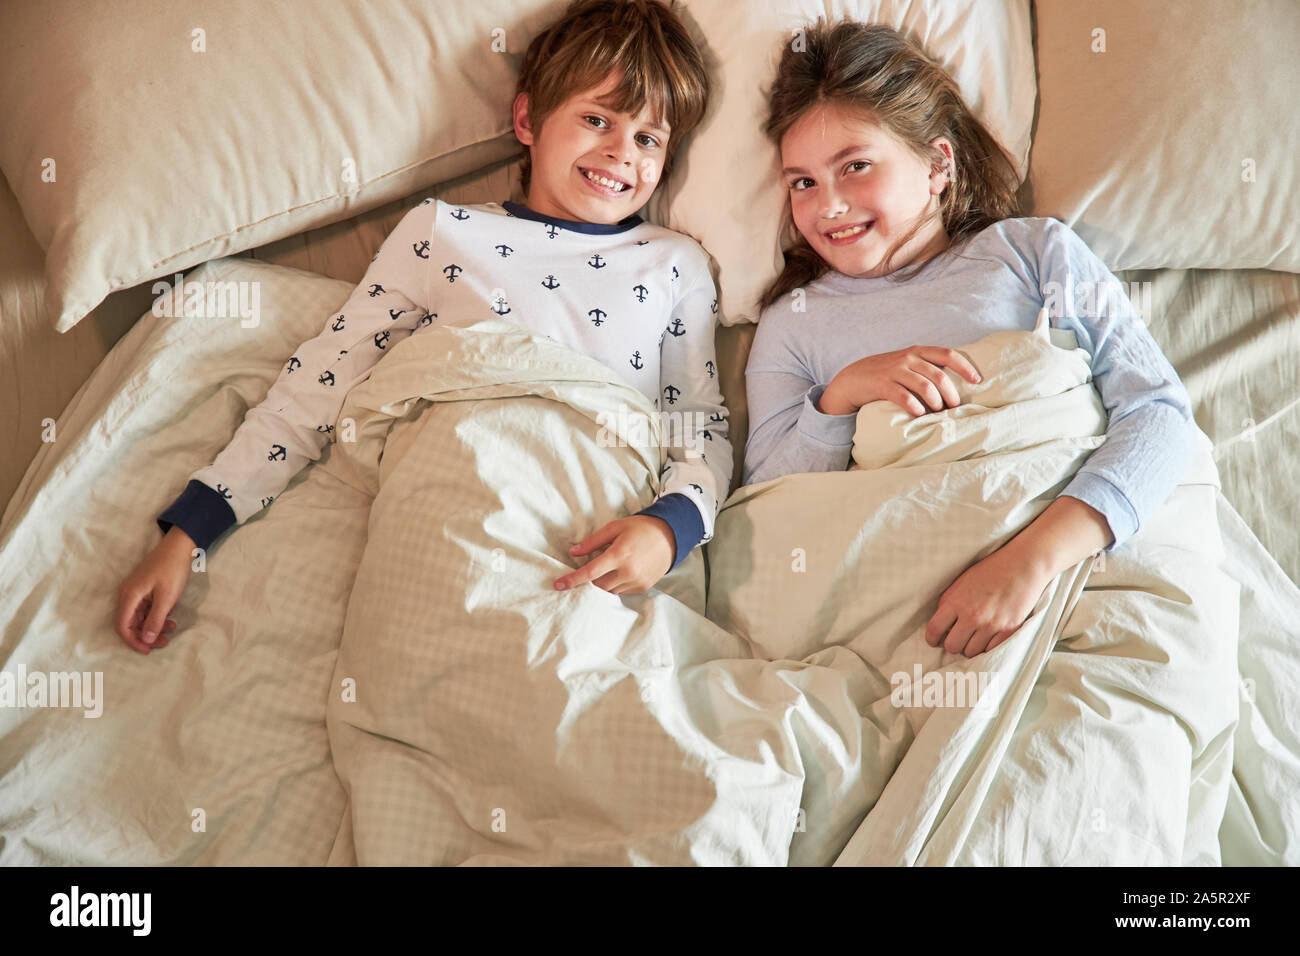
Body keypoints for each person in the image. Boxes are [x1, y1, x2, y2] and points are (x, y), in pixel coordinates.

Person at [116, 0, 730, 654]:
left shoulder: (674, 264)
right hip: (451, 505)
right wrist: (189, 534)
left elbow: (699, 424)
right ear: (527, 119)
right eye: (596, 119)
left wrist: (669, 530)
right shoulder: (443, 231)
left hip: (598, 533)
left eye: (648, 139)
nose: (620, 152)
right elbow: (319, 383)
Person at [742, 19, 1199, 658]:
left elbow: (1160, 416)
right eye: (803, 183)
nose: (830, 206)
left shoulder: (1035, 253)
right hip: (895, 615)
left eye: (856, 166)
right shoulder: (793, 319)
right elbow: (765, 499)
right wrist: (841, 398)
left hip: (1067, 568)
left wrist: (1029, 563)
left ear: (937, 164)